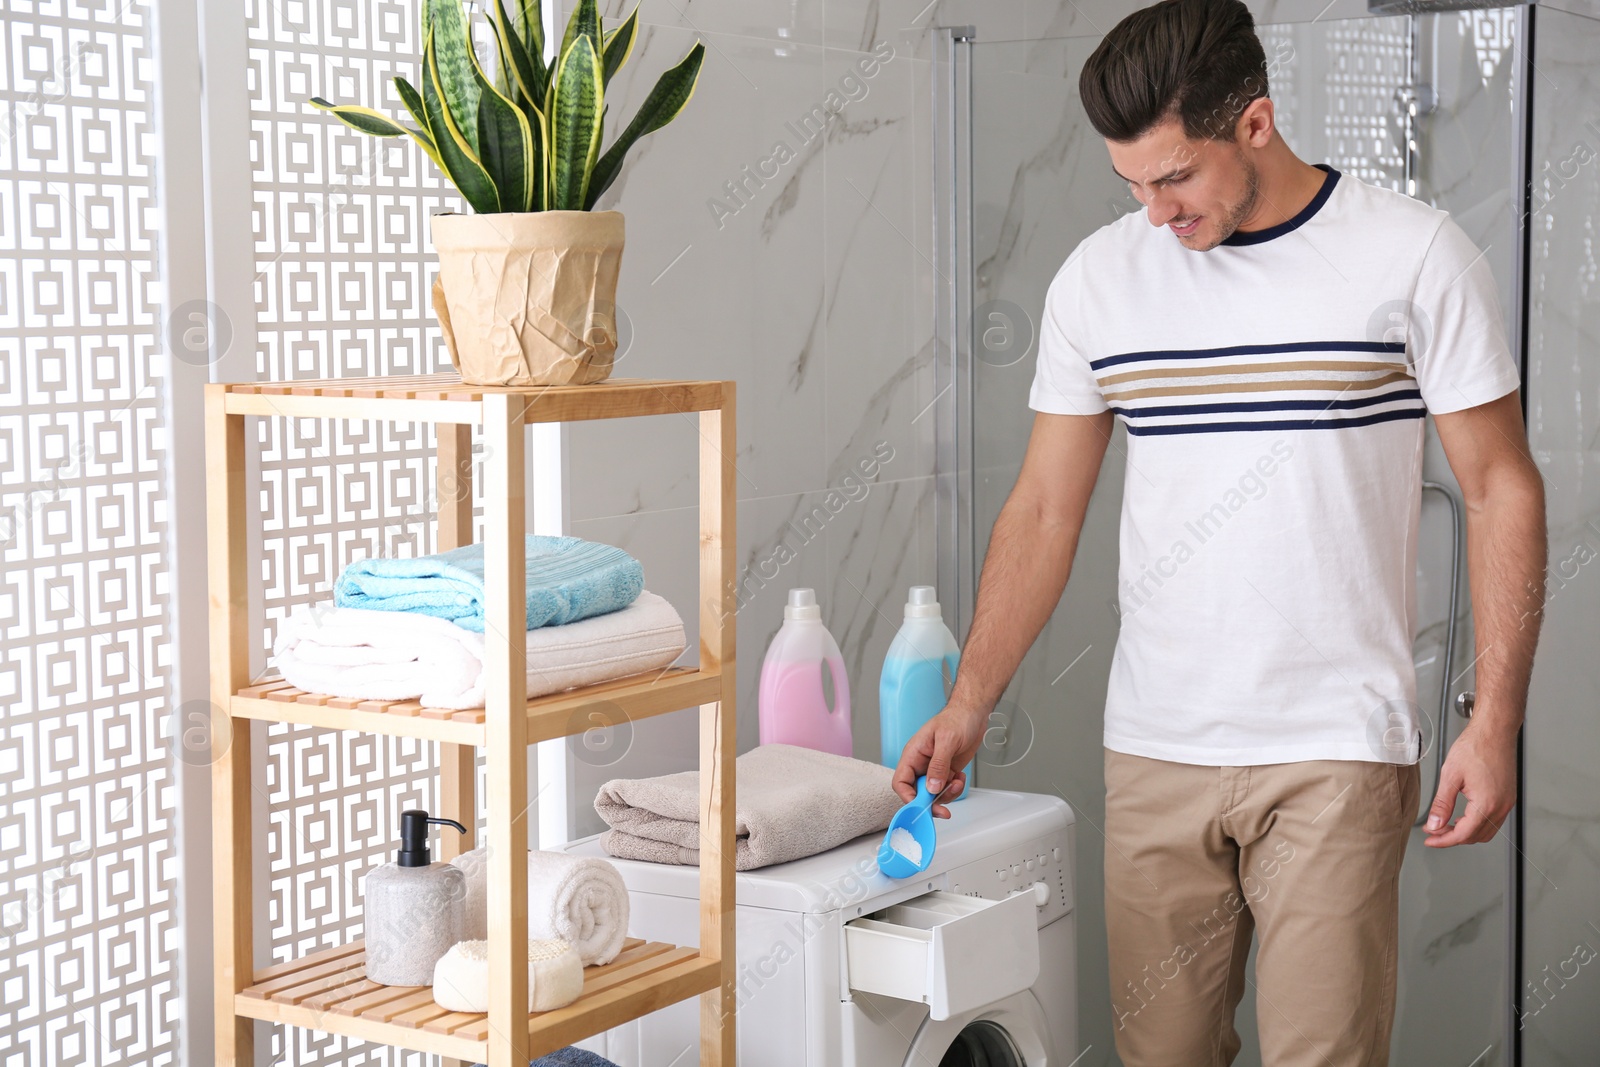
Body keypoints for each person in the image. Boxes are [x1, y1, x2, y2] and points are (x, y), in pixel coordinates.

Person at [890, 1, 1547, 1064]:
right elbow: (1045, 507)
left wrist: (1494, 714)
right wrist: (970, 698)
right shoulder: (1098, 281)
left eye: (1173, 178)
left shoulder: (1412, 257)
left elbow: (1500, 488)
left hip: (1334, 747)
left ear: (1254, 124)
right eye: (1131, 184)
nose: (1153, 213)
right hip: (1154, 746)